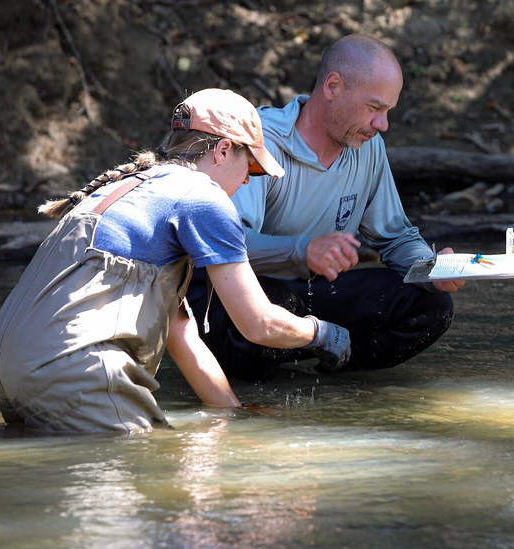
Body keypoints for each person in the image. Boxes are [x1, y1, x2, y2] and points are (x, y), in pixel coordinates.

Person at [0, 88, 351, 434]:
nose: (247, 182)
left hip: (7, 369)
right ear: (222, 151)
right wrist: (320, 333)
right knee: (149, 467)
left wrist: (232, 414)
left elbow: (180, 333)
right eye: (250, 168)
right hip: (72, 370)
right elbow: (257, 324)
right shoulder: (202, 197)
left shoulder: (130, 189)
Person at [187, 34, 464, 382]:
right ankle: (286, 363)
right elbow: (223, 246)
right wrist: (303, 251)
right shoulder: (260, 140)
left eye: (388, 112)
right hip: (245, 299)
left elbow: (396, 239)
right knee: (280, 302)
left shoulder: (368, 146)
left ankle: (329, 373)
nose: (383, 125)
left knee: (432, 307)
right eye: (375, 108)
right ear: (333, 86)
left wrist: (433, 269)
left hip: (314, 296)